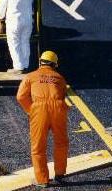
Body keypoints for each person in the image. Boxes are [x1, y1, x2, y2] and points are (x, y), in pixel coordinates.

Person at [16, 51, 69, 188]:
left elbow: (21, 97)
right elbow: (63, 95)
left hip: (39, 110)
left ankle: (42, 179)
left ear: (40, 62)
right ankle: (60, 172)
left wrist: (31, 111)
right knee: (61, 142)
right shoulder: (59, 77)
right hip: (58, 108)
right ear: (55, 65)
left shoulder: (30, 76)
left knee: (38, 147)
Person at [0, 0, 34, 74]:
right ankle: (26, 65)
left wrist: (0, 17)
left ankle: (18, 67)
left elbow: (0, 11)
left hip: (14, 22)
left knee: (14, 43)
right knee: (25, 42)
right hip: (28, 21)